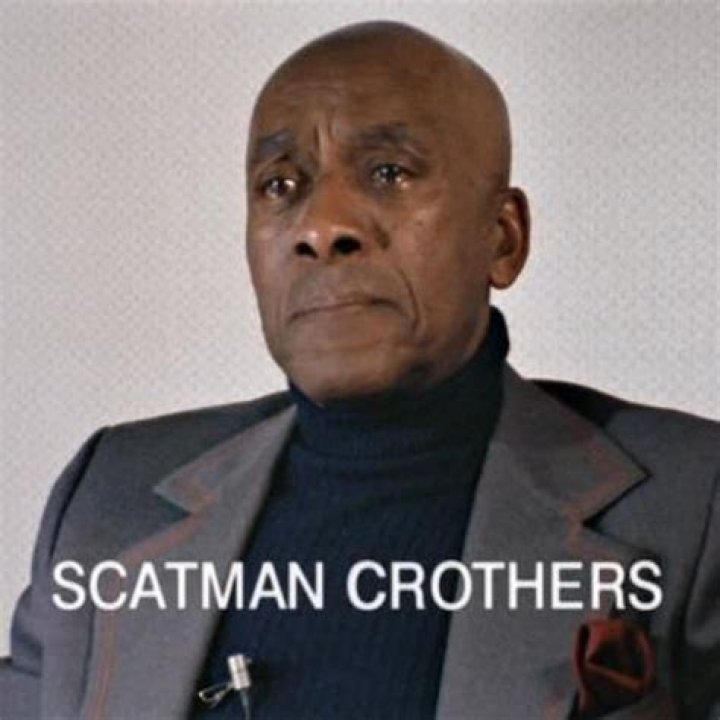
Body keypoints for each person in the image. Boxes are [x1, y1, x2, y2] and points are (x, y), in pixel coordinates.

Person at [1, 20, 718, 720]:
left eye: (388, 173)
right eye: (281, 184)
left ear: (502, 239)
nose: (322, 227)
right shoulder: (108, 501)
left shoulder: (694, 510)